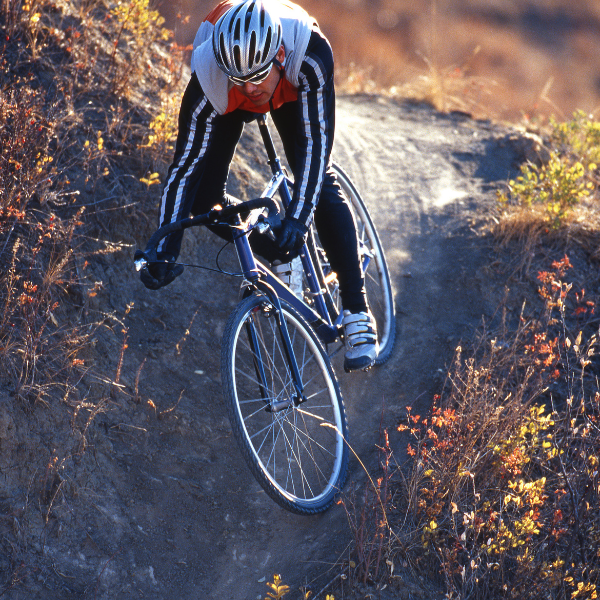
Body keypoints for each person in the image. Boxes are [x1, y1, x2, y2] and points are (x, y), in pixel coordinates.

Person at [139, 0, 378, 371]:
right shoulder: (212, 79)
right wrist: (166, 245)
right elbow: (184, 168)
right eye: (241, 80)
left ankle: (356, 309)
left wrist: (299, 219)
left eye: (257, 77)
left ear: (278, 55)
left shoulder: (309, 55)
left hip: (290, 84)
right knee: (204, 199)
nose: (251, 89)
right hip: (228, 93)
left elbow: (315, 148)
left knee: (315, 180)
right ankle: (282, 252)